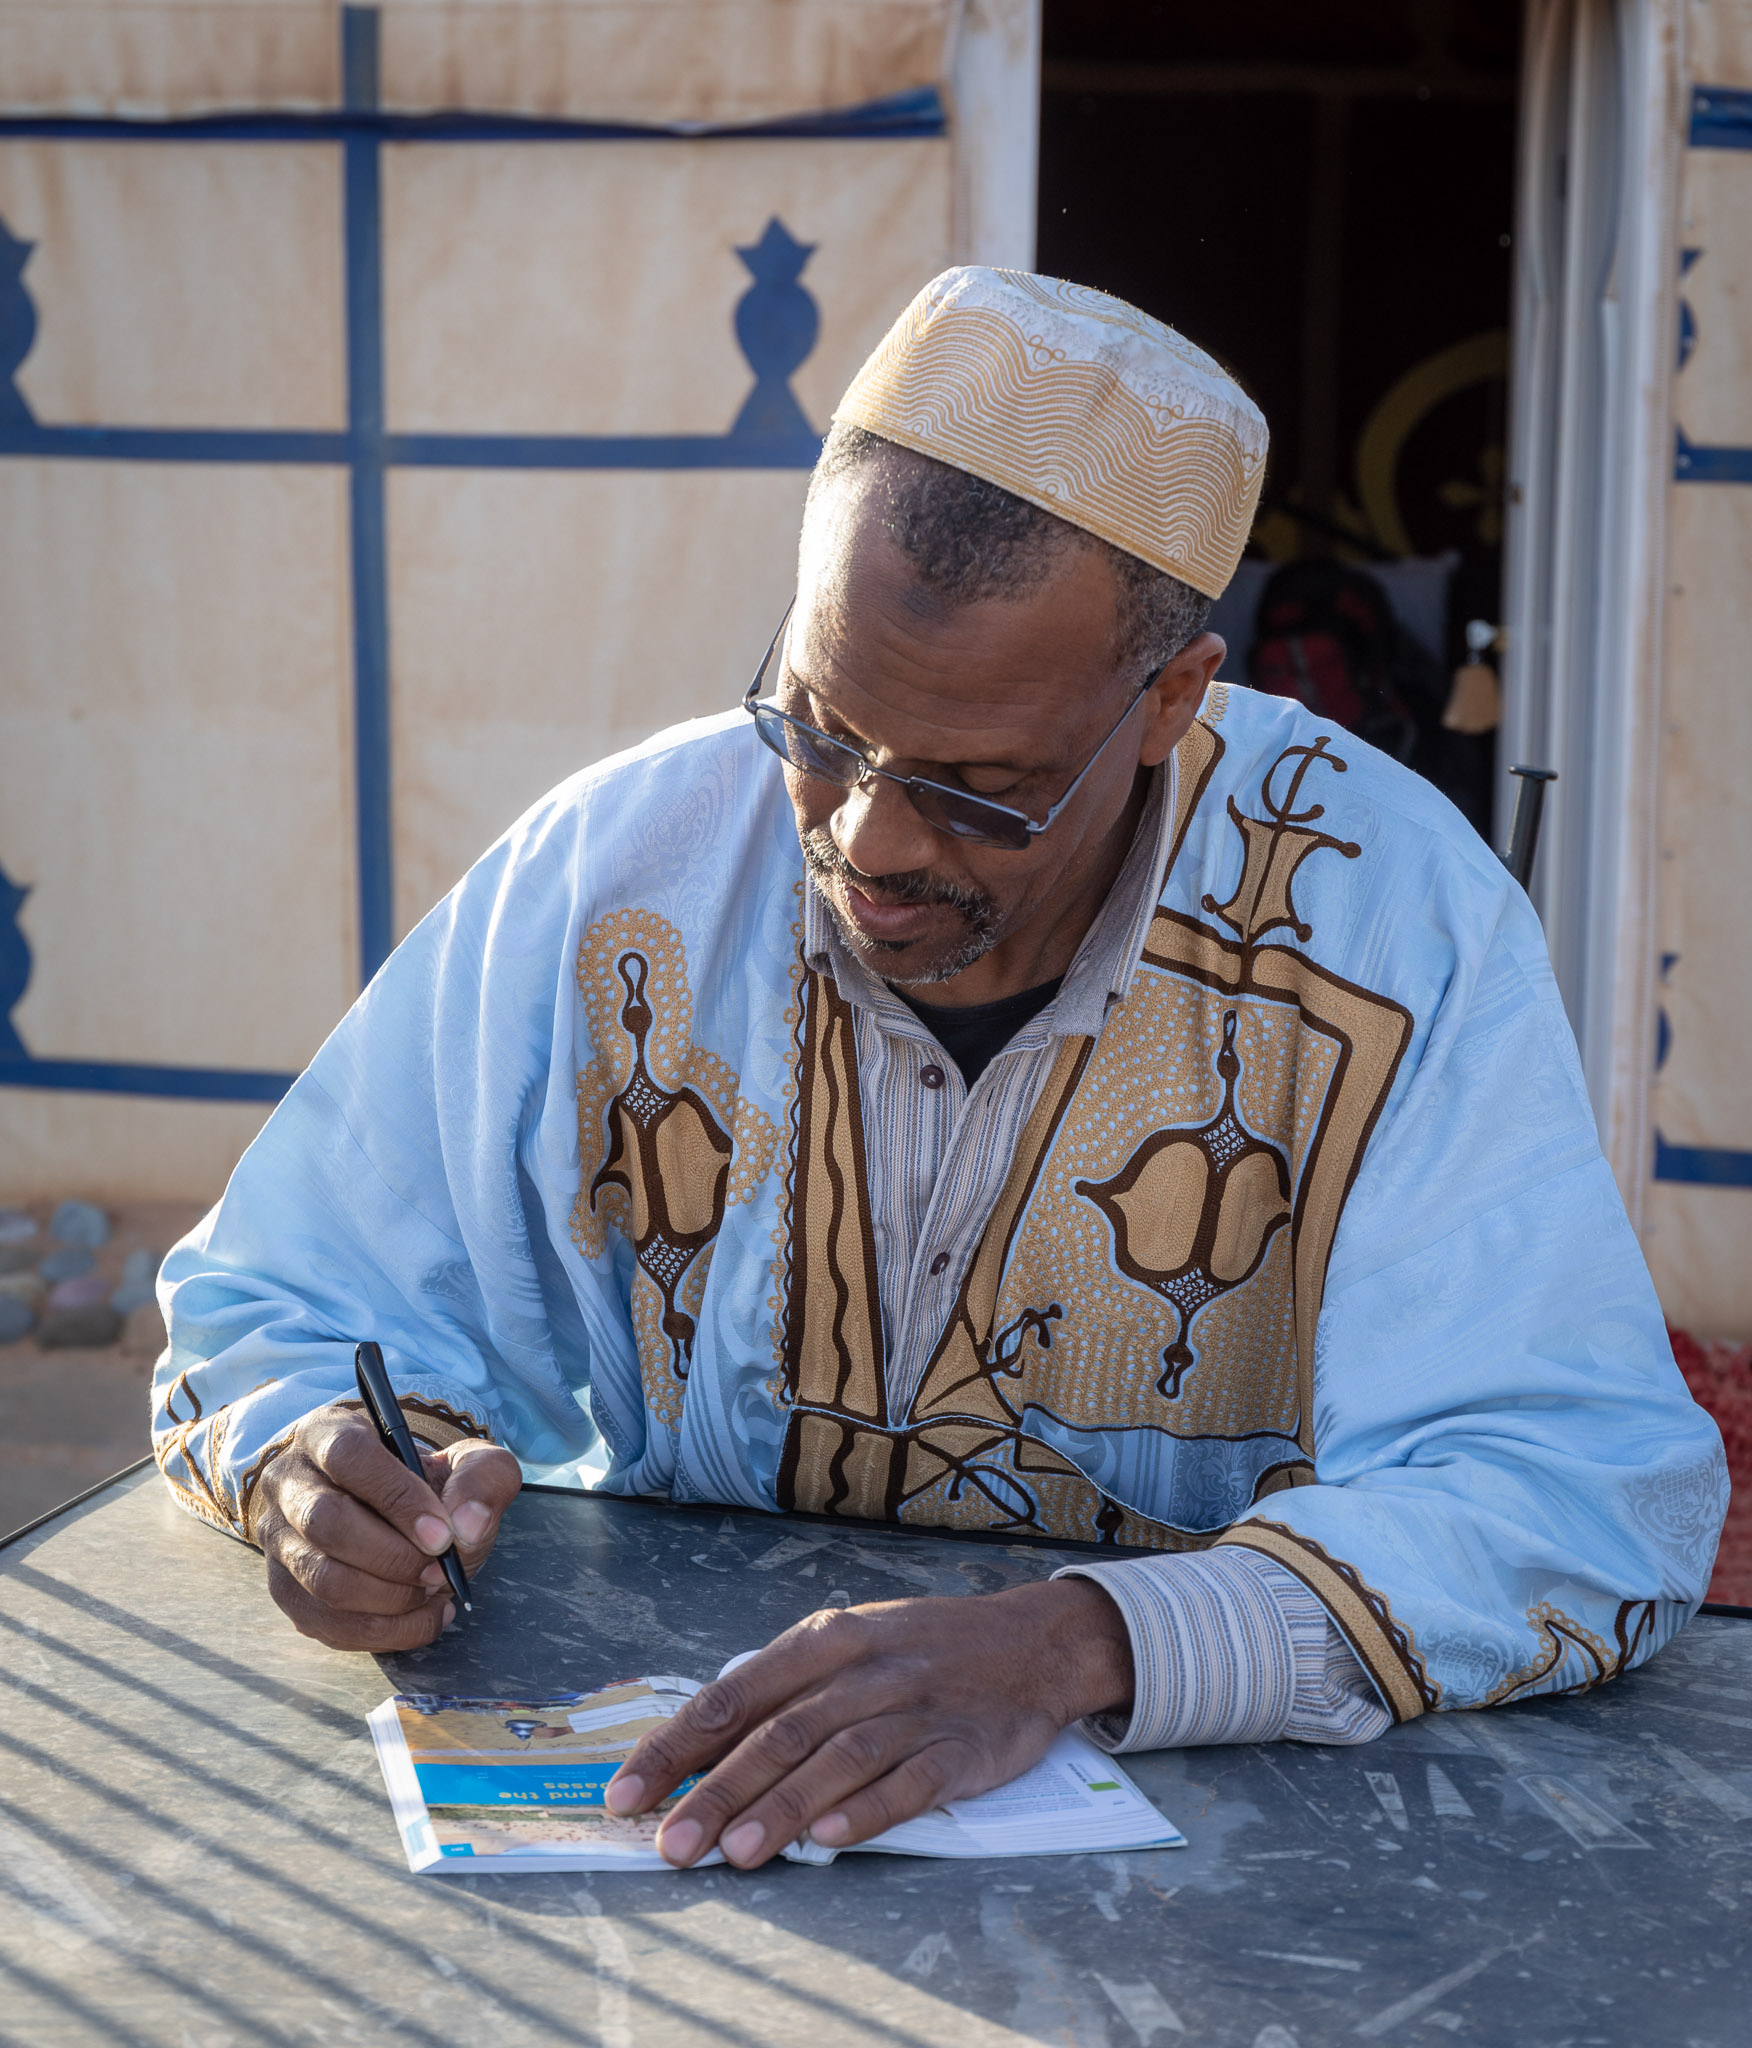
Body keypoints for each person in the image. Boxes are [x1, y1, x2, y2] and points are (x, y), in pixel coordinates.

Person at [153, 268, 1726, 1872]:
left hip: (1263, 1890)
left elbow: (1583, 1491)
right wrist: (322, 1474)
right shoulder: (621, 869)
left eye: (987, 788)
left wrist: (1079, 1643)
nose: (867, 840)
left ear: (1175, 700)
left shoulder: (1397, 926)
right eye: (822, 725)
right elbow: (276, 1301)